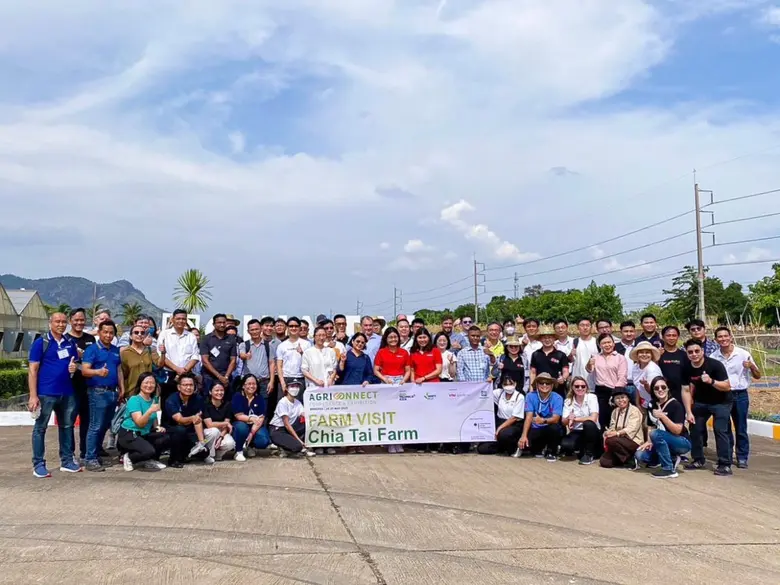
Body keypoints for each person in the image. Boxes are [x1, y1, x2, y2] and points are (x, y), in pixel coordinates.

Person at [28, 312, 81, 478]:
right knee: (40, 428)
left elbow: (74, 364)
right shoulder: (41, 343)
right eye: (57, 321)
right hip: (46, 393)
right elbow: (32, 370)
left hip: (67, 393)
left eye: (64, 322)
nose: (61, 324)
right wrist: (33, 395)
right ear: (50, 323)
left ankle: (66, 461)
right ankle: (38, 464)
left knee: (67, 427)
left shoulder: (70, 343)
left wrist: (74, 368)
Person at [711, 327, 761, 469]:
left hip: (740, 395)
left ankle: (742, 457)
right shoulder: (714, 357)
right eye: (720, 337)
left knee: (740, 427)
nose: (723, 339)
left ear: (731, 337)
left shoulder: (743, 354)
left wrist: (751, 366)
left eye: (725, 336)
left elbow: (758, 376)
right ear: (716, 340)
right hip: (721, 395)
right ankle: (726, 456)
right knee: (724, 428)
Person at [682, 338, 732, 475]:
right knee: (695, 429)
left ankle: (725, 464)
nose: (694, 354)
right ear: (687, 354)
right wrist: (688, 411)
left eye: (697, 351)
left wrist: (711, 381)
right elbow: (686, 390)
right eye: (690, 352)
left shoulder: (715, 365)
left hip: (721, 401)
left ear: (702, 351)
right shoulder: (686, 368)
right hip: (701, 402)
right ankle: (698, 459)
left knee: (720, 430)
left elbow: (727, 386)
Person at [81, 320, 124, 472]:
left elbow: (119, 370)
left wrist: (122, 388)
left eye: (111, 332)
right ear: (99, 333)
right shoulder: (92, 349)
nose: (108, 335)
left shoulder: (115, 350)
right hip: (97, 392)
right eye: (105, 332)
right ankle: (90, 458)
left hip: (112, 392)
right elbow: (85, 370)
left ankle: (97, 453)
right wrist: (98, 372)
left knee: (105, 425)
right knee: (95, 426)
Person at [636, 376, 690, 479]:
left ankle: (668, 469)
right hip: (661, 439)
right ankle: (670, 457)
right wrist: (648, 442)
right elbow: (651, 426)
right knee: (640, 455)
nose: (660, 390)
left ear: (668, 388)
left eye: (663, 387)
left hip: (682, 441)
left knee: (656, 434)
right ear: (652, 390)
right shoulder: (652, 404)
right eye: (656, 388)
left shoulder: (676, 405)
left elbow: (678, 430)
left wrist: (662, 416)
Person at [163, 373, 220, 468]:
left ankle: (192, 453)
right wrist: (193, 418)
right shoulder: (171, 400)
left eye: (191, 385)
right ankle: (174, 459)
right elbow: (179, 420)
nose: (188, 388)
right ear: (179, 387)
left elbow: (198, 420)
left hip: (191, 430)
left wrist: (202, 442)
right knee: (180, 430)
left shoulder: (198, 399)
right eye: (185, 385)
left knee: (206, 449)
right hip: (172, 430)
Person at [117, 372, 169, 472]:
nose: (149, 385)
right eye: (146, 382)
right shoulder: (134, 400)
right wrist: (149, 410)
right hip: (130, 433)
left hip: (143, 433)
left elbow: (154, 418)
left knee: (165, 437)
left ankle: (150, 460)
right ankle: (128, 457)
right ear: (140, 384)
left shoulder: (154, 399)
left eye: (152, 383)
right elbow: (139, 423)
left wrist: (157, 427)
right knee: (148, 451)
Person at [65, 307, 95, 462]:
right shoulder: (64, 340)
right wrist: (80, 365)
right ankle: (69, 454)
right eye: (76, 320)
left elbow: (95, 362)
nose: (79, 323)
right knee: (69, 423)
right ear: (71, 321)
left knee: (88, 423)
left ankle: (86, 452)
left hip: (88, 388)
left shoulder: (91, 339)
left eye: (82, 320)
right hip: (70, 389)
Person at [517, 373, 564, 461]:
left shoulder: (557, 398)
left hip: (549, 427)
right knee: (526, 446)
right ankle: (539, 447)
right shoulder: (530, 396)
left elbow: (556, 418)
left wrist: (542, 420)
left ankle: (551, 451)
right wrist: (523, 436)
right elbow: (528, 417)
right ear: (537, 384)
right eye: (541, 383)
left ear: (552, 385)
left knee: (554, 428)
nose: (544, 385)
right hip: (535, 428)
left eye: (547, 383)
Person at [156, 309, 199, 401]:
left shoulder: (191, 336)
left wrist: (184, 370)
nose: (181, 321)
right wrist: (177, 369)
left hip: (186, 375)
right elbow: (161, 355)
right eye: (178, 318)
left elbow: (195, 356)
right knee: (167, 402)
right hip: (169, 375)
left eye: (183, 319)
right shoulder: (164, 334)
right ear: (172, 320)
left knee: (186, 403)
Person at [588, 333, 627, 431]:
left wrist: (615, 394)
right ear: (600, 345)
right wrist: (589, 364)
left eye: (609, 342)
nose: (607, 345)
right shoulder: (595, 357)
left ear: (613, 344)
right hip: (600, 392)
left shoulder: (620, 358)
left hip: (615, 391)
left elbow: (622, 377)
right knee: (602, 420)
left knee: (615, 419)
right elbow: (589, 370)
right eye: (604, 343)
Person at [477, 377, 525, 455]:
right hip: (500, 421)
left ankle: (514, 448)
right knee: (482, 448)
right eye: (506, 384)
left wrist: (499, 428)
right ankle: (502, 448)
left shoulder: (520, 397)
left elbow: (514, 418)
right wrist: (487, 383)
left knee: (504, 434)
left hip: (513, 424)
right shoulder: (499, 393)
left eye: (511, 384)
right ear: (502, 385)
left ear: (515, 384)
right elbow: (485, 392)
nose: (508, 387)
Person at [239, 317, 279, 408]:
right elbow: (241, 355)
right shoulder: (244, 345)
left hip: (264, 382)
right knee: (247, 406)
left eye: (256, 329)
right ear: (248, 331)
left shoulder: (268, 346)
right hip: (248, 383)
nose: (254, 332)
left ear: (260, 329)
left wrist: (271, 381)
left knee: (263, 408)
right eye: (252, 330)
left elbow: (272, 363)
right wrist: (246, 356)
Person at [599, 388, 643, 469]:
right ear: (614, 400)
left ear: (628, 398)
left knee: (611, 440)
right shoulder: (615, 411)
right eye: (617, 398)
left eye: (623, 397)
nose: (620, 400)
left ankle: (629, 458)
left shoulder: (634, 410)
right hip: (618, 442)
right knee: (604, 462)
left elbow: (632, 428)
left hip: (633, 441)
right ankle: (627, 459)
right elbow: (612, 427)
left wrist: (617, 433)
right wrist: (607, 432)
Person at [269, 381, 315, 457]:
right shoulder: (283, 402)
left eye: (297, 386)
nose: (295, 388)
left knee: (307, 423)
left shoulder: (298, 403)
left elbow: (305, 415)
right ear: (286, 388)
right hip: (277, 430)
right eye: (292, 386)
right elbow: (286, 424)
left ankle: (293, 446)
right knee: (297, 446)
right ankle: (282, 448)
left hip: (289, 429)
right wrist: (299, 441)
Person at [560, 376, 600, 464]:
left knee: (588, 424)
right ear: (572, 387)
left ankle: (589, 454)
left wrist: (575, 419)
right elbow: (563, 421)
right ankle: (582, 449)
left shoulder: (592, 397)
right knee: (566, 445)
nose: (580, 388)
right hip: (577, 431)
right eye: (577, 386)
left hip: (592, 431)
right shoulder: (568, 401)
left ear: (586, 387)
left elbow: (593, 418)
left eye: (583, 386)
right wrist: (568, 418)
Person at [231, 374, 272, 461]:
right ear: (243, 386)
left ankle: (250, 447)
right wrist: (251, 418)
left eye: (254, 384)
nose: (251, 386)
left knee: (264, 440)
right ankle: (238, 451)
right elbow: (238, 416)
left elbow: (261, 418)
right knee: (242, 428)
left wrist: (252, 433)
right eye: (249, 384)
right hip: (239, 425)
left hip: (254, 426)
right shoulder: (237, 396)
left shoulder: (259, 398)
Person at [120, 323, 165, 396]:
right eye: (136, 332)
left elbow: (160, 364)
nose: (139, 334)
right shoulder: (124, 353)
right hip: (131, 392)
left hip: (148, 391)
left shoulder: (150, 350)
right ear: (131, 336)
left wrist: (163, 353)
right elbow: (122, 373)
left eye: (142, 333)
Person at [200, 313, 238, 397]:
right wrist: (219, 376)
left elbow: (233, 360)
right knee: (208, 401)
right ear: (214, 324)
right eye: (219, 322)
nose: (222, 325)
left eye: (224, 322)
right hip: (209, 377)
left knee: (226, 402)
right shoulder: (206, 339)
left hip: (226, 377)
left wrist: (226, 377)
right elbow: (205, 361)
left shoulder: (231, 339)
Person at [276, 317, 312, 400]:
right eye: (291, 326)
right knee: (284, 406)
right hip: (286, 378)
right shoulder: (282, 346)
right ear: (287, 328)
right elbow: (279, 366)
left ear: (299, 328)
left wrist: (302, 353)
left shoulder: (307, 344)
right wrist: (282, 382)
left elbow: (310, 363)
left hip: (301, 378)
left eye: (296, 326)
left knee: (300, 407)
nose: (293, 328)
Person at [530, 325, 569, 397]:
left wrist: (563, 378)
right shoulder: (535, 354)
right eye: (544, 338)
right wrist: (531, 389)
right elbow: (533, 373)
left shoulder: (561, 355)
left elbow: (566, 371)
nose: (547, 340)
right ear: (541, 339)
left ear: (554, 339)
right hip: (540, 390)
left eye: (550, 337)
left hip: (557, 390)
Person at [202, 382, 237, 461]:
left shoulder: (227, 404)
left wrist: (221, 437)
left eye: (222, 390)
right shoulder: (205, 404)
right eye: (216, 390)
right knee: (214, 431)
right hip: (207, 434)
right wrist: (226, 423)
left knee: (230, 443)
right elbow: (209, 425)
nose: (220, 392)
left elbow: (226, 425)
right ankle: (208, 455)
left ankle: (217, 455)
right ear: (210, 392)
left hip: (221, 432)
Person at [302, 326, 339, 394]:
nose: (321, 338)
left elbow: (334, 368)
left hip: (329, 386)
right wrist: (316, 381)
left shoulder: (331, 351)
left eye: (323, 335)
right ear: (314, 337)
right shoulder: (308, 352)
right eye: (319, 335)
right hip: (314, 387)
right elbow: (304, 370)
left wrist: (331, 379)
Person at [629, 341, 663, 409]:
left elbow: (656, 392)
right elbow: (637, 387)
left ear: (651, 355)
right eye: (641, 352)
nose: (644, 355)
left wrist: (646, 385)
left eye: (647, 352)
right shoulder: (635, 366)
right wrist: (638, 404)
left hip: (656, 404)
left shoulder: (652, 369)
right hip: (643, 403)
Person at [658, 326, 688, 402]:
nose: (671, 338)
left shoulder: (684, 355)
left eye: (674, 335)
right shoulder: (658, 354)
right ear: (663, 337)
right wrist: (657, 356)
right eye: (668, 335)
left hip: (681, 394)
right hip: (662, 393)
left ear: (678, 337)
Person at [569, 318, 598, 391]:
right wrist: (571, 354)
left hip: (594, 382)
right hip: (577, 382)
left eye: (587, 325)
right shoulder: (574, 341)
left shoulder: (597, 342)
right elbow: (569, 360)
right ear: (578, 327)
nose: (585, 328)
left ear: (591, 327)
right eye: (582, 325)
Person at [520, 318, 542, 392]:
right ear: (525, 328)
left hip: (538, 374)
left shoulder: (541, 343)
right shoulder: (519, 341)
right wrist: (522, 346)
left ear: (537, 328)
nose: (531, 328)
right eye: (528, 326)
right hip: (522, 375)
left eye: (534, 326)